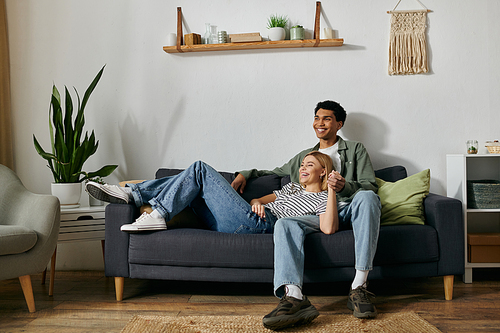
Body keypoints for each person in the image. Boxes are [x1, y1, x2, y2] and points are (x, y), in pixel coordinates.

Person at [231, 100, 381, 326]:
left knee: (368, 197)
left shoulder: (356, 149)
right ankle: (294, 297)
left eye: (327, 119)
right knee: (284, 223)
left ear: (339, 124)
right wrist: (245, 173)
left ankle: (359, 287)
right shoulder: (306, 156)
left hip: (346, 206)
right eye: (317, 118)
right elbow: (272, 172)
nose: (320, 123)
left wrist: (344, 187)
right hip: (314, 212)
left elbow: (369, 185)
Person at [85, 153, 336, 237]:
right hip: (246, 216)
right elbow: (257, 200)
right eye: (302, 164)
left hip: (258, 226)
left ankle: (142, 200)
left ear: (324, 172)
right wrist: (257, 201)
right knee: (189, 183)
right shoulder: (292, 187)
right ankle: (131, 193)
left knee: (199, 169)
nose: (302, 168)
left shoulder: (325, 199)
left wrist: (333, 192)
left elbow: (328, 228)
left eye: (310, 165)